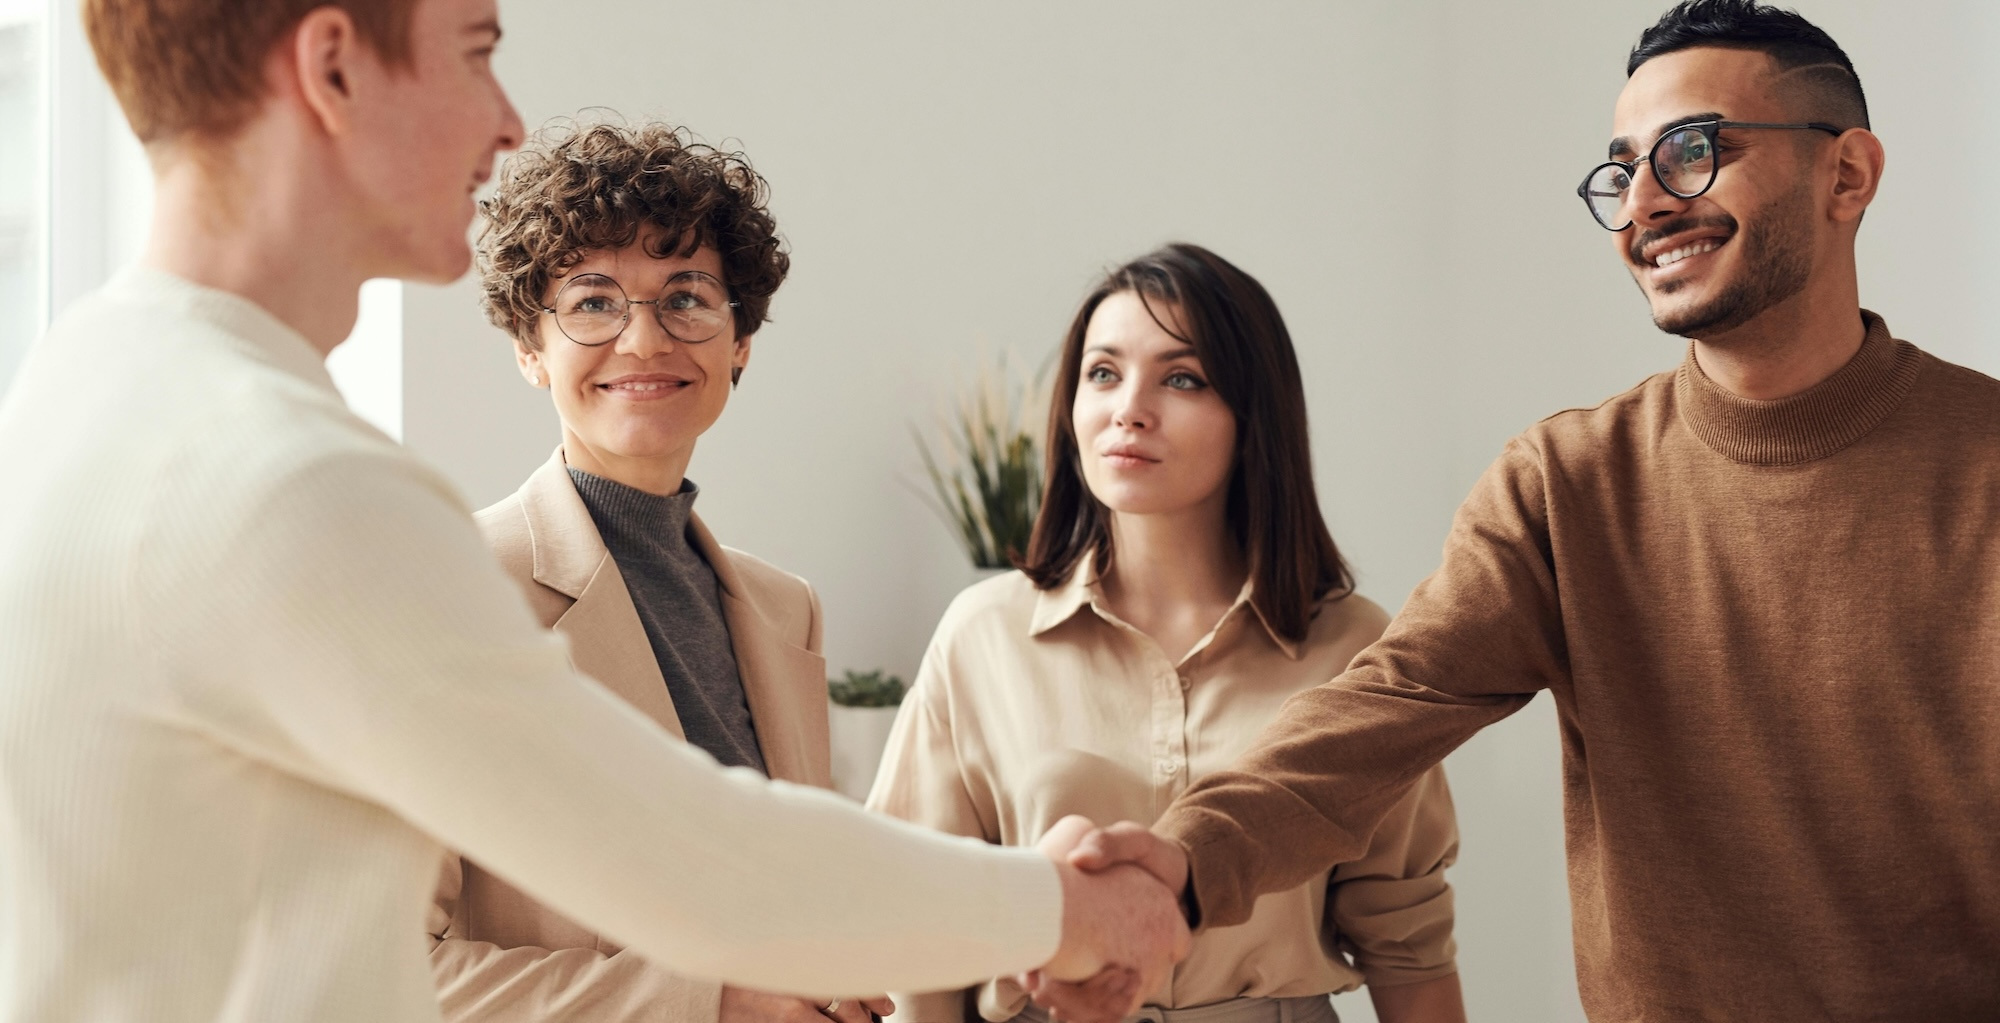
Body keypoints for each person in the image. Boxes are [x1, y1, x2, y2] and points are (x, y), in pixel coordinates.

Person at [0, 1, 1188, 1020]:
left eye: (686, 301)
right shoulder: (289, 484)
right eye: (475, 47)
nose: (505, 120)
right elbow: (689, 860)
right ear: (333, 66)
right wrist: (1067, 911)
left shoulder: (76, 394)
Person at [1044, 2, 2000, 1021]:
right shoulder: (1565, 485)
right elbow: (1378, 712)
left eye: (1689, 152)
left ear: (1844, 175)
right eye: (1621, 173)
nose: (1644, 205)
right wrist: (1177, 865)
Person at [870, 244, 1466, 1023]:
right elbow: (919, 916)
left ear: (1253, 416)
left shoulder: (1354, 647)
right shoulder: (983, 635)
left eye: (1182, 378)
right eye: (1103, 373)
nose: (1130, 408)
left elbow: (1406, 937)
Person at [423, 120, 881, 1023]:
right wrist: (710, 1002)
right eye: (592, 302)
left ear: (739, 340)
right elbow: (379, 969)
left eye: (688, 298)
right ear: (530, 348)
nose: (644, 341)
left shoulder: (787, 611)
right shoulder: (449, 588)